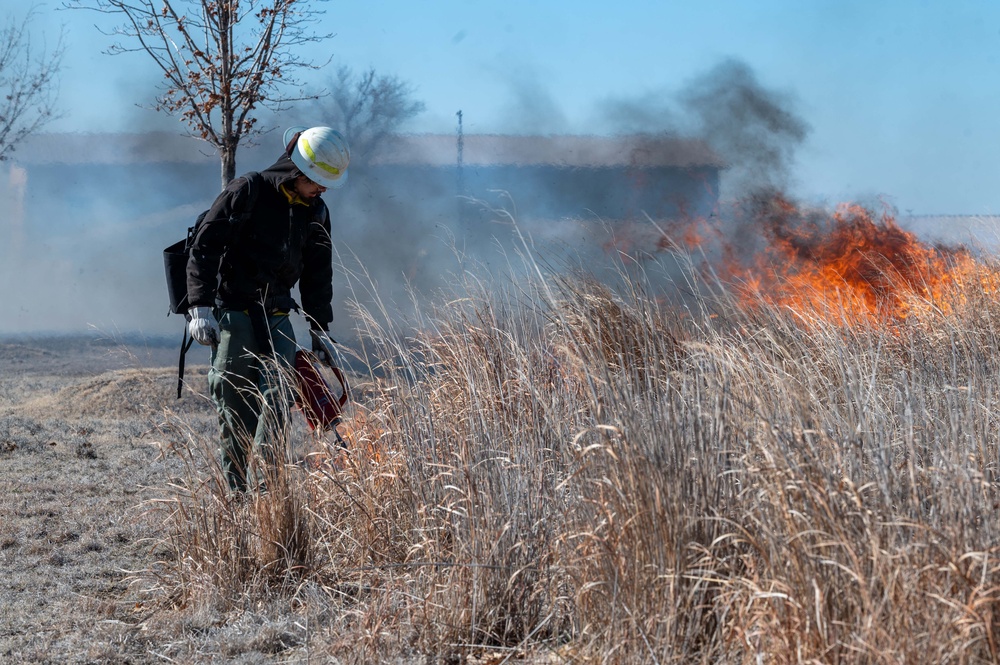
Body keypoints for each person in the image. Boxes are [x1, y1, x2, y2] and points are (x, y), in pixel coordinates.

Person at [185, 125, 349, 492]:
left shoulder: (315, 212)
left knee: (277, 401)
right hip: (235, 314)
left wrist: (320, 329)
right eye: (317, 181)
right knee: (235, 402)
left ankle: (267, 491)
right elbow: (204, 248)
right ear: (298, 171)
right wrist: (199, 307)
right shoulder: (248, 191)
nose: (322, 189)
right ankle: (238, 492)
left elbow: (318, 276)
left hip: (277, 316)